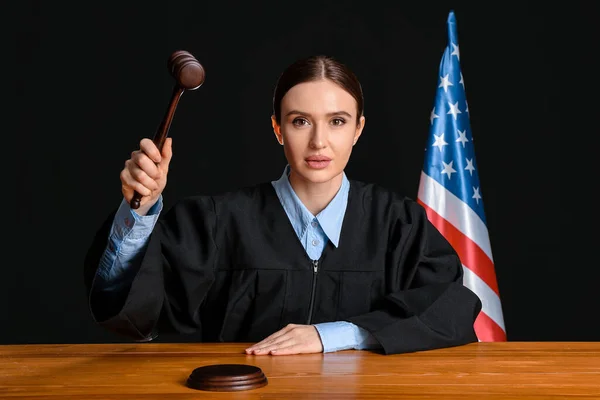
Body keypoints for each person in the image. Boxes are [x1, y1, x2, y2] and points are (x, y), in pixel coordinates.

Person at [84, 55, 482, 356]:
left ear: (359, 129)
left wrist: (331, 334)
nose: (319, 143)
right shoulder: (217, 222)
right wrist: (139, 211)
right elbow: (133, 315)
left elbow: (449, 308)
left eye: (338, 121)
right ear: (277, 128)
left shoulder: (399, 224)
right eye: (300, 121)